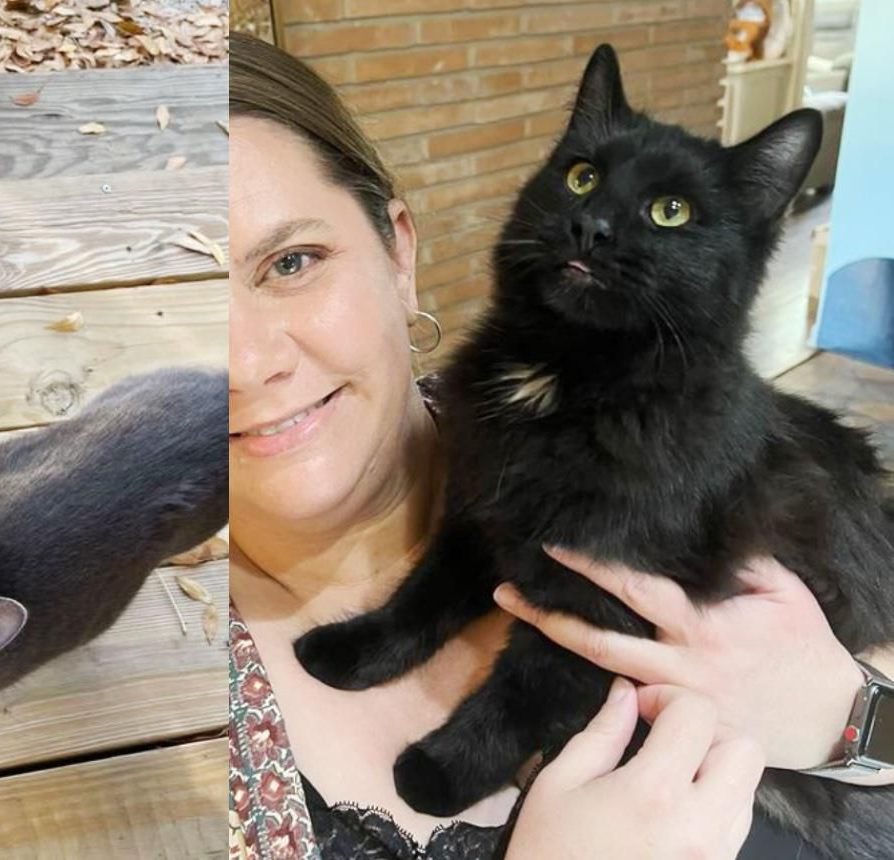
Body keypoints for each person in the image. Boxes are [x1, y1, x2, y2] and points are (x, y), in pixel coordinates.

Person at [225, 31, 893, 860]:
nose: (247, 364)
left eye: (292, 261)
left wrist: (857, 715)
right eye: (584, 178)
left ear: (399, 250)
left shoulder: (693, 442)